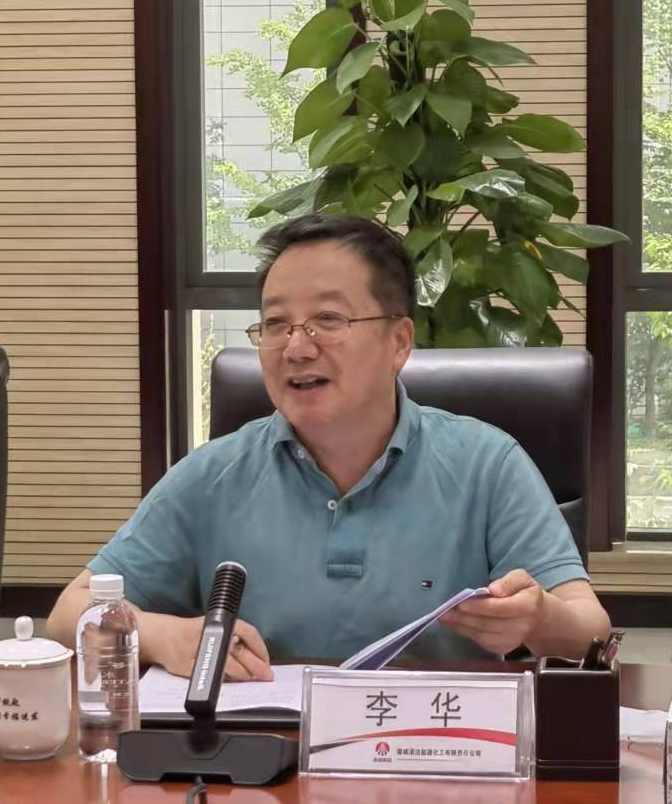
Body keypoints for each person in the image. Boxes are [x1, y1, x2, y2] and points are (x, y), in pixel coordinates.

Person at [46, 213, 611, 682]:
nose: (296, 348)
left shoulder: (487, 463)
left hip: (435, 751)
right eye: (275, 323)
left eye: (328, 319)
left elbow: (591, 627)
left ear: (398, 342)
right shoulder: (212, 474)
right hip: (264, 753)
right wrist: (161, 634)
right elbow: (68, 613)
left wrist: (539, 620)